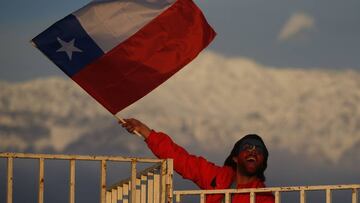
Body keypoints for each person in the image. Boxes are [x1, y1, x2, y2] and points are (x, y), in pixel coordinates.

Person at [121, 118, 275, 203]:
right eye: (247, 147)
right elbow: (182, 160)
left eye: (259, 150)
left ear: (263, 162)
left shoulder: (264, 197)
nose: (253, 152)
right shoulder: (218, 177)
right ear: (235, 157)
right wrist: (145, 132)